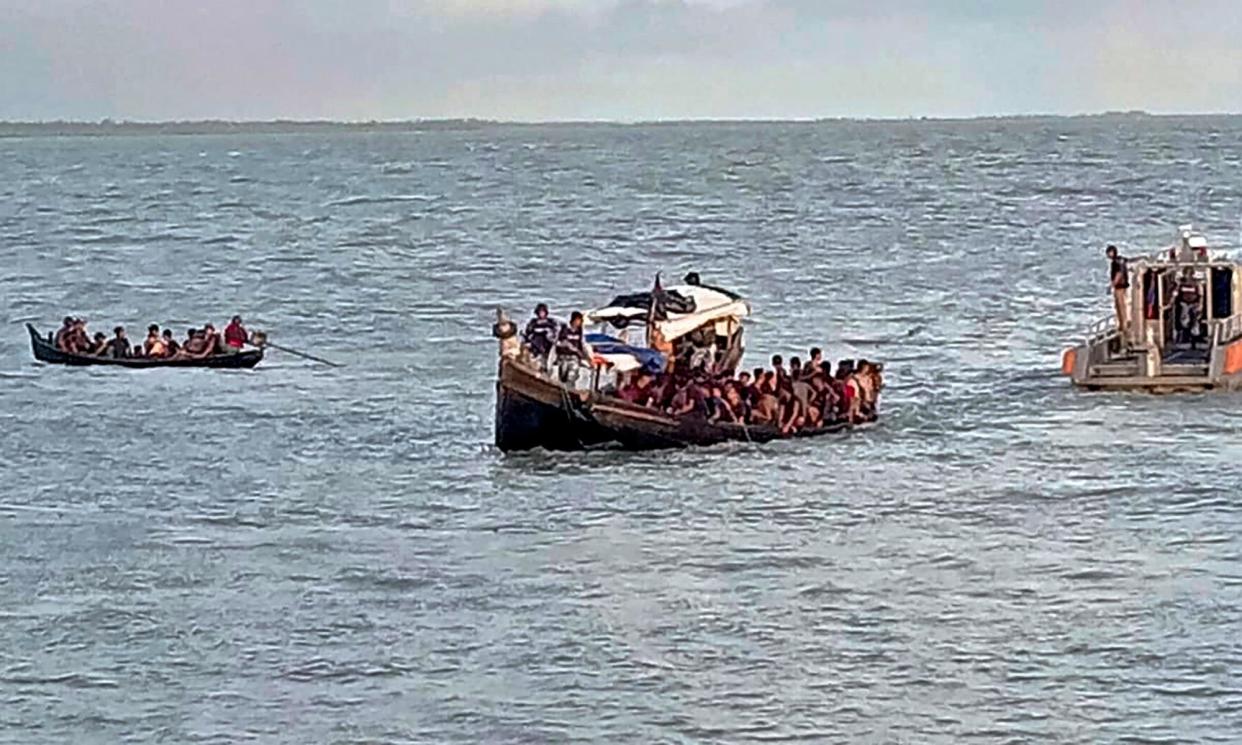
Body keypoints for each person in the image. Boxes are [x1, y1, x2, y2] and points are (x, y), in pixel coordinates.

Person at [555, 311, 590, 384]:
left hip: (574, 358)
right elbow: (558, 343)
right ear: (573, 320)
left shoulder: (580, 332)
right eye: (577, 320)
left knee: (572, 376)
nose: (578, 322)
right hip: (563, 357)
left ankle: (570, 390)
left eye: (580, 321)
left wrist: (587, 357)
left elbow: (583, 345)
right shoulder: (564, 330)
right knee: (562, 376)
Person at [1106, 245, 1130, 339]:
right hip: (1124, 287)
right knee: (1122, 306)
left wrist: (1112, 285)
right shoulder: (1122, 260)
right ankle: (1123, 324)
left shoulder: (1115, 262)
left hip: (1119, 287)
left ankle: (1123, 326)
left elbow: (1118, 274)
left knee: (1120, 306)